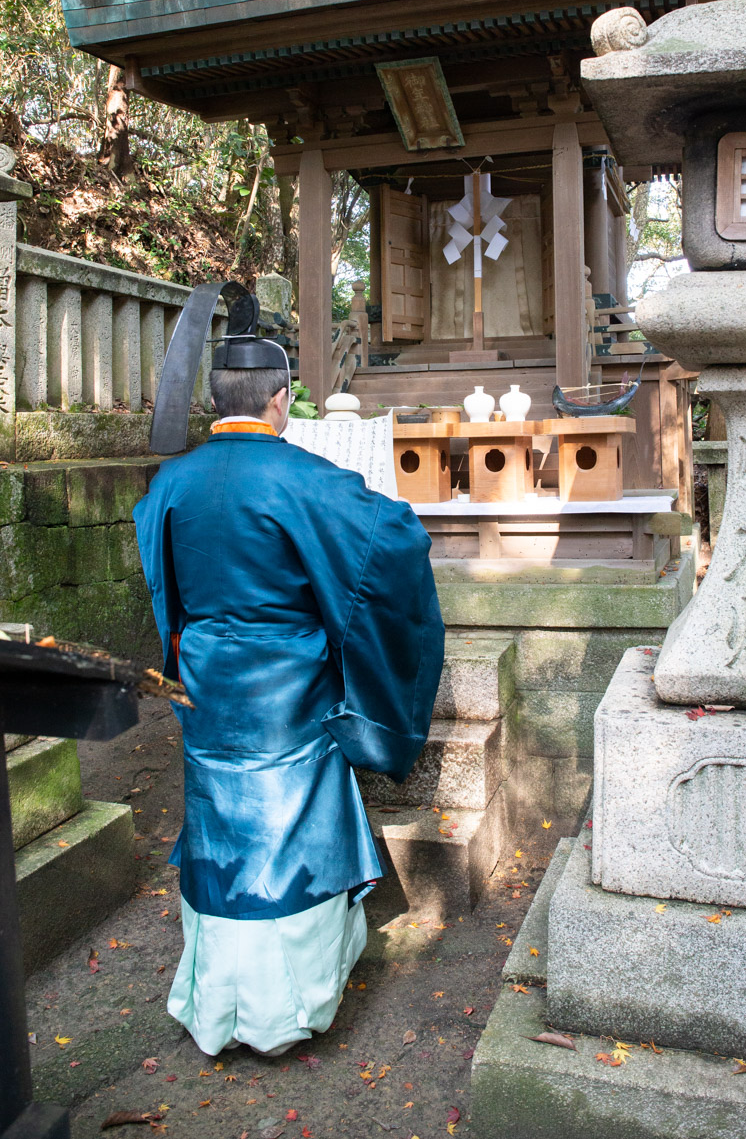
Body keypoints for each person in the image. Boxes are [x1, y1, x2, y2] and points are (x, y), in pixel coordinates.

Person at [134, 337, 445, 1057]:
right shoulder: (304, 476)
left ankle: (217, 1006)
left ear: (219, 399)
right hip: (287, 684)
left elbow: (164, 581)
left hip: (207, 678)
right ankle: (286, 1013)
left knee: (220, 823)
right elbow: (390, 542)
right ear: (280, 400)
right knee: (287, 829)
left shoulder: (172, 482)